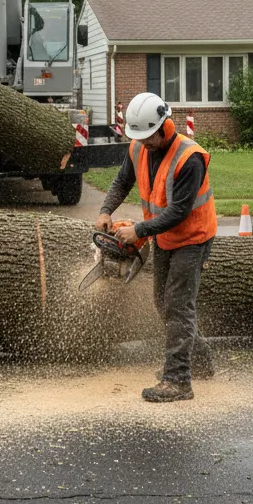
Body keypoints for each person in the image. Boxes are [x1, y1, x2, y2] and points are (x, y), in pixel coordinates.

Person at [95, 91, 217, 403]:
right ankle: (199, 358)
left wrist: (138, 230)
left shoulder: (190, 158)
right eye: (141, 137)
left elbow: (178, 212)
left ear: (164, 125)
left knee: (178, 304)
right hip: (163, 235)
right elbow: (123, 181)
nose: (145, 143)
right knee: (163, 302)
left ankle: (178, 380)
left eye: (149, 137)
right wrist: (105, 211)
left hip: (193, 237)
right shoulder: (138, 147)